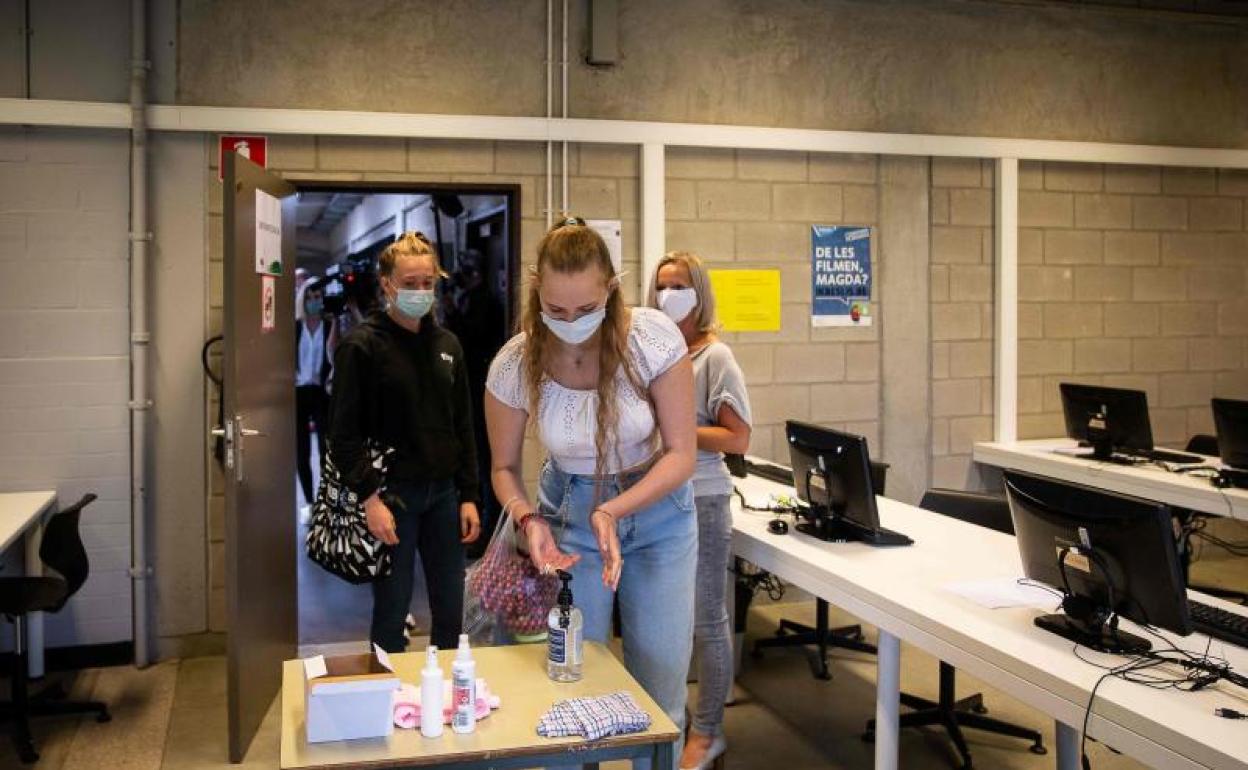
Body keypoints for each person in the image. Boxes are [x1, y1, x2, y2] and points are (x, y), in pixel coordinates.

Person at [484, 219, 697, 770]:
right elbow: (503, 468)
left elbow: (681, 454)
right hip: (569, 519)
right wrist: (530, 521)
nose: (571, 323)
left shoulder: (650, 338)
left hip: (658, 515)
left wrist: (615, 509)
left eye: (585, 309)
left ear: (611, 288)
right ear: (537, 290)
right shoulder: (514, 362)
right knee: (571, 683)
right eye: (556, 310)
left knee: (660, 689)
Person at [327, 231, 481, 652]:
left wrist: (469, 495)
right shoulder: (362, 346)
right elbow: (342, 435)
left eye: (427, 282)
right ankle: (391, 701)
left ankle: (449, 694)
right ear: (387, 284)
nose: (419, 291)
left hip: (444, 495)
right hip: (391, 498)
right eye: (409, 283)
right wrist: (368, 499)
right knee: (392, 611)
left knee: (451, 607)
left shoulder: (448, 345)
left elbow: (463, 425)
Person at [649, 251, 752, 770]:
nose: (669, 294)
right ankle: (676, 719)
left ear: (699, 293)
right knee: (670, 620)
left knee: (707, 619)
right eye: (662, 286)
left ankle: (708, 732)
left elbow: (738, 437)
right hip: (661, 498)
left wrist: (677, 432)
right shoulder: (655, 352)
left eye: (680, 285)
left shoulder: (715, 357)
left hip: (705, 498)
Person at [442, 249, 507, 558]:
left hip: (484, 390)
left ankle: (490, 531)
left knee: (486, 464)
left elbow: (473, 340)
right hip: (469, 389)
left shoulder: (486, 303)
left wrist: (453, 313)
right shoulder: (473, 299)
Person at [295, 281, 334, 509]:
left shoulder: (329, 326)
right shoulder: (295, 327)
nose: (313, 301)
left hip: (322, 392)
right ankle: (309, 502)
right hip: (299, 392)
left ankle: (327, 499)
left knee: (324, 449)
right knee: (301, 450)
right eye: (309, 296)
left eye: (317, 296)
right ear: (303, 299)